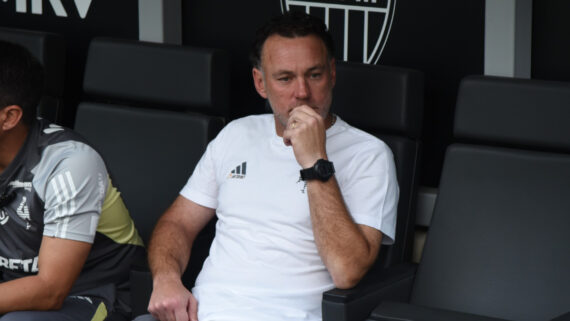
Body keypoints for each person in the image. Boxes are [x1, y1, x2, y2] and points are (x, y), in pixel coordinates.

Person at [140, 11, 399, 321]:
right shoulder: (237, 134)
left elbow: (347, 271)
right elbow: (177, 223)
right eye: (285, 78)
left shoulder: (369, 154)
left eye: (314, 74)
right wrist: (166, 278)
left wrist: (315, 162)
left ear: (332, 73)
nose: (302, 92)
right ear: (260, 82)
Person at [0, 40, 145, 320]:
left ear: (9, 117)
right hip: (15, 285)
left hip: (97, 294)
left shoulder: (68, 163)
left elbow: (49, 290)